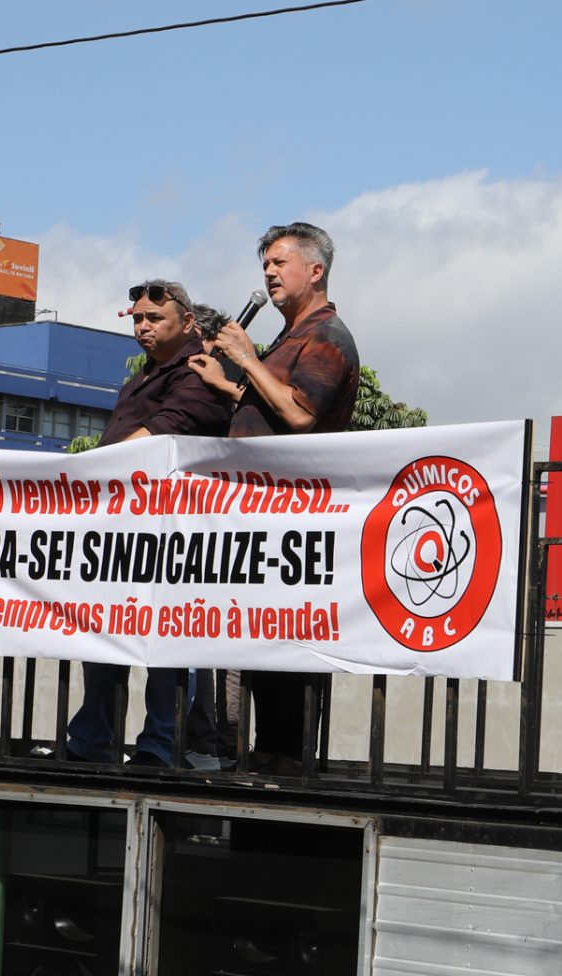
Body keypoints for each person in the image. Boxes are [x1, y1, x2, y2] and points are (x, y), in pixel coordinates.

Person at [191, 221, 359, 775]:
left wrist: (245, 353)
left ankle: (284, 764)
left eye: (280, 262)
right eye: (265, 263)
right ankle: (267, 757)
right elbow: (273, 409)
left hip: (293, 523)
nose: (269, 272)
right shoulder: (291, 337)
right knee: (263, 655)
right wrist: (230, 386)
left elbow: (300, 415)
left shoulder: (327, 337)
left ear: (316, 270)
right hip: (262, 519)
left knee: (285, 659)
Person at [64, 280, 233, 768]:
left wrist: (87, 468)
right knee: (103, 637)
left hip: (176, 533)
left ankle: (159, 746)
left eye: (154, 318)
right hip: (123, 531)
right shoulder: (139, 378)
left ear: (188, 322)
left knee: (166, 643)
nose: (142, 327)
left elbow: (161, 433)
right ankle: (94, 738)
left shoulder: (201, 371)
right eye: (137, 318)